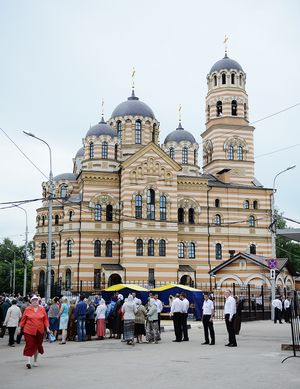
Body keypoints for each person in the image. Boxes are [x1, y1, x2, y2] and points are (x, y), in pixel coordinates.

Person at [18, 295, 50, 369]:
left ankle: (35, 361)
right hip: (29, 331)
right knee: (30, 344)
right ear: (31, 302)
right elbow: (23, 320)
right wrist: (19, 328)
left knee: (37, 345)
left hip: (39, 331)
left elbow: (45, 319)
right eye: (33, 300)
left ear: (38, 301)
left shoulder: (42, 309)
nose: (35, 301)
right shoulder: (27, 309)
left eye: (36, 300)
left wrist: (47, 328)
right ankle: (28, 362)